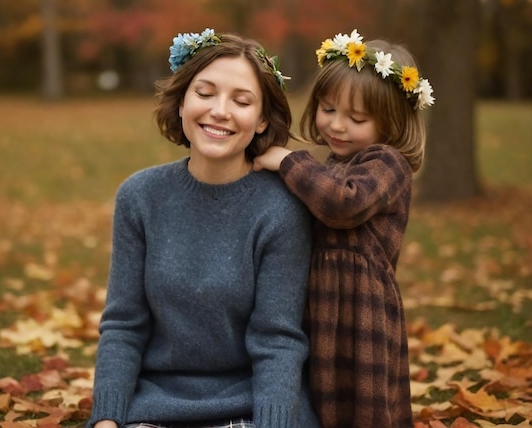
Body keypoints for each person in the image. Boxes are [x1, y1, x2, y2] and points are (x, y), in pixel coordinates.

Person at [87, 28, 318, 428]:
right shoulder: (140, 197)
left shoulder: (281, 209)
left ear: (262, 121)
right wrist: (107, 418)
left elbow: (276, 340)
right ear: (181, 104)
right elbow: (124, 325)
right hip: (155, 404)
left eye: (241, 101)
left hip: (249, 406)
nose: (219, 111)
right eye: (205, 93)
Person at [253, 29, 435, 427]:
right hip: (317, 302)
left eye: (356, 118)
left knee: (361, 404)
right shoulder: (329, 166)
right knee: (319, 396)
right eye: (328, 109)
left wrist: (287, 161)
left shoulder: (389, 164)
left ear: (391, 122)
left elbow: (343, 204)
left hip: (361, 309)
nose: (337, 125)